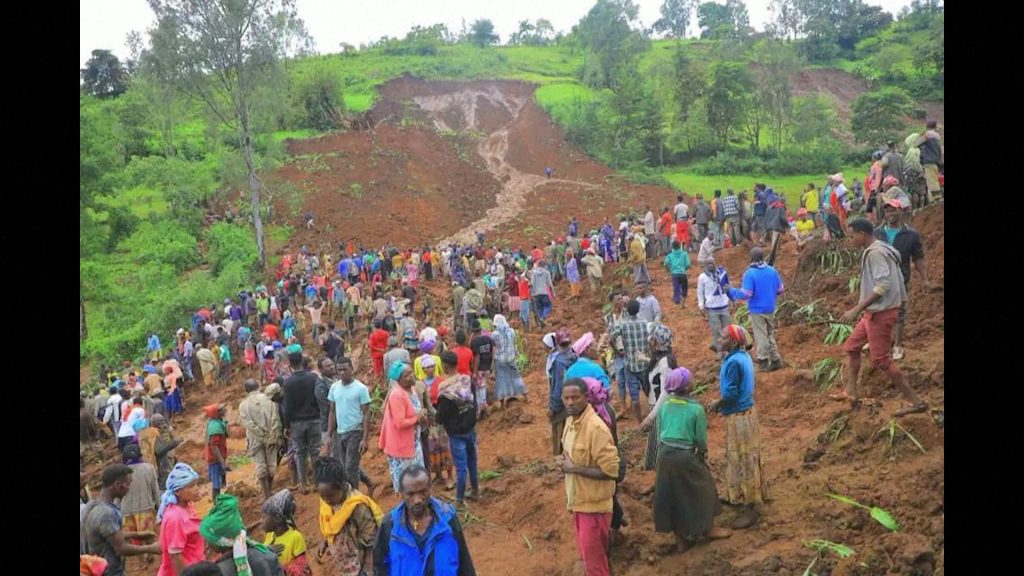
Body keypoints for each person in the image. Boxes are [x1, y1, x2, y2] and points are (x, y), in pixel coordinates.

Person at [834, 219, 928, 416]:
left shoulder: (876, 254)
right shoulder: (880, 248)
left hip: (880, 314)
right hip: (874, 313)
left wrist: (856, 309)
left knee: (881, 360)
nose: (850, 240)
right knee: (852, 348)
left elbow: (883, 286)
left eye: (852, 236)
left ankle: (916, 401)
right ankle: (851, 392)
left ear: (861, 234)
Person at [647, 367, 731, 551]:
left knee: (672, 495)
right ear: (687, 386)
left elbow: (662, 431)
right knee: (705, 488)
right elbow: (700, 439)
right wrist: (701, 454)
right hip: (684, 455)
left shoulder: (666, 405)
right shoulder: (696, 409)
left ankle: (681, 539)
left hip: (664, 456)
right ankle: (708, 529)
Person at [557, 378, 620, 576]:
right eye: (566, 398)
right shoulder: (570, 422)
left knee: (595, 565)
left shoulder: (596, 429)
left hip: (595, 510)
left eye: (575, 398)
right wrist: (564, 463)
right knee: (591, 559)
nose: (570, 402)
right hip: (579, 502)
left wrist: (574, 468)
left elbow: (611, 471)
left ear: (586, 398)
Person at [707, 325, 768, 530]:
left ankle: (750, 507)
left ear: (733, 342)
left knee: (742, 459)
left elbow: (731, 393)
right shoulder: (742, 356)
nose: (719, 339)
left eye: (724, 338)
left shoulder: (733, 362)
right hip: (747, 412)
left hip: (738, 415)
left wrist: (717, 403)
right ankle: (743, 495)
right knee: (748, 456)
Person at [373, 464, 476, 575]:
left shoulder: (448, 518)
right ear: (401, 494)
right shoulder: (390, 525)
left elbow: (464, 561)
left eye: (423, 492)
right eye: (410, 494)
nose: (417, 500)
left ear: (430, 489)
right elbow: (379, 566)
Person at [82, 464, 162, 576]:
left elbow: (110, 535)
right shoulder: (106, 514)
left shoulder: (93, 505)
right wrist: (150, 548)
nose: (129, 488)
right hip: (109, 571)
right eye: (128, 484)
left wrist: (137, 535)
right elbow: (121, 548)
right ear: (117, 485)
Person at [875, 201, 931, 360]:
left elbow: (918, 258)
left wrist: (924, 278)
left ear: (901, 211)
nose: (889, 214)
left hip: (900, 279)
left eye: (893, 211)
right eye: (887, 212)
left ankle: (897, 346)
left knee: (898, 313)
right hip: (879, 279)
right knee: (877, 310)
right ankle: (878, 342)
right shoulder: (878, 233)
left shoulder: (911, 235)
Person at [315, 457, 383, 576]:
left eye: (330, 496)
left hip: (359, 563)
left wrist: (369, 568)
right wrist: (325, 542)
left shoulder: (357, 506)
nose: (326, 500)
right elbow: (329, 525)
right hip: (344, 563)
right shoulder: (327, 503)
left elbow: (371, 537)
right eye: (323, 496)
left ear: (342, 486)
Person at [325, 357, 377, 497]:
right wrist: (329, 435)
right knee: (347, 465)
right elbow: (332, 411)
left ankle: (354, 497)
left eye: (345, 369)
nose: (342, 373)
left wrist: (365, 439)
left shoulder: (360, 388)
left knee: (349, 467)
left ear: (351, 369)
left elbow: (366, 414)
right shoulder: (334, 388)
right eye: (339, 370)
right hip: (340, 432)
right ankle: (369, 483)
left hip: (356, 431)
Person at [729, 247, 785, 372]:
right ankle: (776, 359)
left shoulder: (750, 273)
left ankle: (763, 361)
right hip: (770, 307)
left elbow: (746, 293)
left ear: (752, 258)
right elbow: (780, 289)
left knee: (761, 335)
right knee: (770, 333)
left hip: (757, 309)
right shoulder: (772, 271)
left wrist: (731, 291)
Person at [436, 352, 480, 506]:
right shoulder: (467, 379)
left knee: (461, 467)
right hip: (471, 427)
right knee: (472, 461)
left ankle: (460, 500)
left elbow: (441, 416)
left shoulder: (444, 389)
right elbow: (474, 400)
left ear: (445, 366)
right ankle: (475, 490)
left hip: (456, 433)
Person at [200, 494, 283, 576]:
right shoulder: (266, 553)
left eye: (208, 539)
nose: (207, 543)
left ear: (221, 542)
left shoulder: (219, 572)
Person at [379, 362, 427, 494]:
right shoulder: (397, 395)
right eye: (407, 375)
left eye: (411, 372)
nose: (412, 376)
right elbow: (400, 423)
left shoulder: (411, 390)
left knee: (416, 478)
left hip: (413, 442)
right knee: (406, 483)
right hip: (401, 446)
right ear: (398, 380)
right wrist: (417, 418)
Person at [282, 351, 322, 494]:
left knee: (300, 453)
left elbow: (287, 407)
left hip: (297, 422)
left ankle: (303, 484)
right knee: (315, 451)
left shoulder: (288, 382)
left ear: (290, 364)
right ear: (302, 361)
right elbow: (318, 399)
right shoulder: (313, 378)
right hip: (314, 419)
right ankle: (317, 483)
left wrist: (287, 426)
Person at [639, 324, 677, 470]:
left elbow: (666, 391)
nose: (650, 342)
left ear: (658, 342)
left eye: (653, 340)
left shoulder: (665, 362)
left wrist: (651, 417)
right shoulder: (662, 358)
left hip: (661, 410)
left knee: (661, 450)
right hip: (658, 409)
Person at [157, 463, 206, 576]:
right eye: (190, 486)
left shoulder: (188, 506)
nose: (196, 489)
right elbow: (175, 556)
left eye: (196, 485)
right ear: (178, 491)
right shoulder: (175, 518)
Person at [240, 379, 283, 500]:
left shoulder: (243, 405)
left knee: (260, 466)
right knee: (271, 465)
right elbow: (275, 418)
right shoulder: (269, 399)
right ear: (258, 386)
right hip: (271, 437)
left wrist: (260, 434)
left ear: (246, 390)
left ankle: (266, 494)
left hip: (255, 439)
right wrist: (271, 434)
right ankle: (270, 489)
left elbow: (248, 424)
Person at [609, 300, 650, 422]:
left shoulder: (623, 325)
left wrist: (617, 350)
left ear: (627, 310)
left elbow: (611, 338)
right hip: (644, 362)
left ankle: (640, 422)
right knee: (648, 390)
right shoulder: (645, 323)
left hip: (630, 363)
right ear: (638, 310)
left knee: (634, 396)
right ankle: (654, 413)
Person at [119, 444, 161, 563]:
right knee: (148, 536)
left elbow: (117, 496)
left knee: (133, 538)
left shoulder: (121, 472)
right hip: (145, 507)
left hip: (126, 510)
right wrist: (159, 506)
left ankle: (140, 561)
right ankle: (150, 556)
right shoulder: (149, 468)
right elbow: (155, 490)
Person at [421, 355, 456, 491]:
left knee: (444, 446)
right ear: (423, 369)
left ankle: (449, 475)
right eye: (427, 367)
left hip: (441, 418)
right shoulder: (421, 384)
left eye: (432, 367)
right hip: (429, 421)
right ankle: (438, 475)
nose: (430, 369)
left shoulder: (441, 381)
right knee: (432, 448)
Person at [261, 489, 313, 576]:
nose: (260, 521)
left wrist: (281, 567)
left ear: (277, 519)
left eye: (264, 517)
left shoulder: (295, 537)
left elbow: (303, 570)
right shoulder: (270, 535)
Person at [548, 328, 576, 456]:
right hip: (576, 399)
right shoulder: (574, 356)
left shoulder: (558, 362)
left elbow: (557, 386)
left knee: (559, 434)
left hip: (562, 403)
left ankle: (560, 459)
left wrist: (553, 407)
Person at [697, 260, 733, 359]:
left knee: (727, 330)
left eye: (712, 263)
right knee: (716, 331)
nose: (710, 265)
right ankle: (719, 351)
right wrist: (701, 306)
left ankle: (728, 350)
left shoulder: (722, 273)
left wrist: (731, 299)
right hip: (712, 308)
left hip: (724, 306)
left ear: (715, 263)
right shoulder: (702, 277)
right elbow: (700, 292)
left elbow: (727, 286)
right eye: (708, 263)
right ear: (705, 265)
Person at [491, 315, 529, 409]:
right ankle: (526, 397)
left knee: (501, 381)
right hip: (511, 358)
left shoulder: (494, 334)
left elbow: (494, 348)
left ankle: (502, 403)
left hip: (500, 360)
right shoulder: (511, 331)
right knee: (516, 377)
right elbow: (514, 344)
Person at [204, 403, 230, 501]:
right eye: (221, 410)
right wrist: (222, 463)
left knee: (220, 480)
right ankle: (216, 503)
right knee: (216, 484)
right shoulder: (215, 427)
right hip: (214, 459)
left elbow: (227, 434)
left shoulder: (218, 422)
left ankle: (218, 500)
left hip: (218, 457)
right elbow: (214, 446)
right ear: (216, 413)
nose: (224, 411)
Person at [469, 320, 494, 418]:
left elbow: (477, 357)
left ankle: (481, 409)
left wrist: (474, 371)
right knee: (482, 385)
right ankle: (483, 407)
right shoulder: (488, 339)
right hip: (487, 366)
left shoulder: (475, 342)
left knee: (479, 388)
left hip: (479, 368)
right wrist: (491, 366)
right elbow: (492, 352)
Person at [915, 120, 943, 201]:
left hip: (929, 162)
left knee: (931, 182)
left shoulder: (927, 134)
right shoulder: (937, 136)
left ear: (927, 126)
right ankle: (933, 200)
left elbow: (917, 144)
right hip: (935, 162)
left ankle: (936, 199)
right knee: (933, 180)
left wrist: (921, 135)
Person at [664, 241, 691, 308]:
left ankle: (677, 300)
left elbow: (666, 264)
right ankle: (683, 302)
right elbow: (688, 264)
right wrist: (684, 269)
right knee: (684, 287)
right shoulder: (684, 254)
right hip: (683, 273)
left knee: (676, 287)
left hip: (674, 274)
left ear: (672, 247)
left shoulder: (670, 255)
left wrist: (669, 270)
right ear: (680, 246)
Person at [529, 259, 555, 328]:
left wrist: (532, 293)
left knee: (539, 309)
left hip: (536, 294)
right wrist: (553, 293)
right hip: (544, 292)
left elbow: (532, 283)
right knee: (548, 306)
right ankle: (543, 318)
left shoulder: (533, 273)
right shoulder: (546, 272)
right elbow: (550, 284)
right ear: (544, 265)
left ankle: (540, 325)